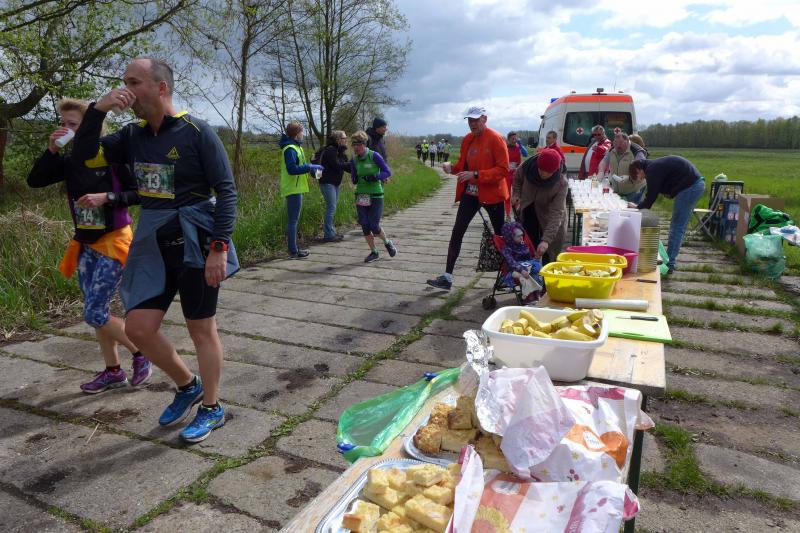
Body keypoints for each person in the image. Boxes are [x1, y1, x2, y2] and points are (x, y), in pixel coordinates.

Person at [72, 57, 239, 443]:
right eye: (124, 82)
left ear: (161, 87)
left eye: (134, 82)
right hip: (153, 243)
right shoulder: (132, 135)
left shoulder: (197, 132)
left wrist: (218, 247)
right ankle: (187, 385)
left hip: (197, 242)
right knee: (138, 328)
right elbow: (83, 156)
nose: (126, 90)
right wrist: (98, 110)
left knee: (201, 329)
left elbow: (226, 190)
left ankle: (212, 408)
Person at [28, 99, 148, 393]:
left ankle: (143, 352)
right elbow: (35, 180)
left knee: (94, 313)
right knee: (99, 314)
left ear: (91, 127)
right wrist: (51, 150)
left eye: (73, 124)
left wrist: (107, 197)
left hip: (115, 241)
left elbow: (141, 193)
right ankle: (113, 371)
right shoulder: (70, 161)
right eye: (63, 124)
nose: (66, 129)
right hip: (85, 243)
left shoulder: (112, 157)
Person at [427, 106, 509, 291]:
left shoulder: (496, 139)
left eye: (476, 120)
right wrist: (451, 168)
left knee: (500, 236)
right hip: (470, 194)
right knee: (457, 231)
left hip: (493, 194)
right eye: (470, 120)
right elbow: (462, 166)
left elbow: (503, 170)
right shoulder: (467, 139)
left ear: (484, 119)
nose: (472, 124)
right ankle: (447, 277)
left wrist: (477, 175)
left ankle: (507, 276)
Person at [628, 157, 705, 275]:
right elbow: (657, 188)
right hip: (694, 184)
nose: (640, 179)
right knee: (679, 224)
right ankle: (670, 260)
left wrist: (637, 207)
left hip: (691, 187)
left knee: (677, 226)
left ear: (639, 170)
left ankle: (670, 264)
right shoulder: (652, 167)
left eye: (638, 176)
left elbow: (649, 200)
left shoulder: (652, 170)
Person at [511, 148, 567, 265]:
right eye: (540, 170)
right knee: (528, 250)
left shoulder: (561, 183)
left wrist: (546, 240)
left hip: (549, 219)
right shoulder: (526, 167)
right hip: (529, 213)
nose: (543, 174)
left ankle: (546, 274)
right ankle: (528, 272)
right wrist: (516, 193)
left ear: (555, 170)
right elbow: (517, 178)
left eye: (548, 172)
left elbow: (557, 213)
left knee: (549, 254)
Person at [350, 130, 396, 263]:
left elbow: (387, 172)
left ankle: (387, 242)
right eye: (353, 145)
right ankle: (374, 252)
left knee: (374, 226)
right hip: (361, 195)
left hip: (376, 194)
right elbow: (354, 178)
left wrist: (375, 176)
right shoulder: (354, 160)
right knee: (364, 225)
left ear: (364, 144)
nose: (355, 148)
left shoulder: (374, 155)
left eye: (358, 144)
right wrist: (354, 178)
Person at [280, 121, 324, 258]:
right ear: (296, 133)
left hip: (296, 188)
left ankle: (293, 249)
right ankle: (293, 251)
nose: (303, 134)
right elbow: (292, 169)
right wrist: (309, 167)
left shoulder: (296, 147)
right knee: (293, 220)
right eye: (302, 132)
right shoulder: (290, 149)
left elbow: (302, 166)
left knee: (293, 220)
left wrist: (313, 169)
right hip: (293, 189)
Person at [318, 130, 351, 242]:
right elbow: (337, 165)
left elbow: (347, 167)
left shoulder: (339, 151)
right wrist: (349, 164)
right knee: (331, 207)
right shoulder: (331, 150)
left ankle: (331, 232)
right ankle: (328, 235)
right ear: (338, 139)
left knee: (333, 207)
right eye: (344, 138)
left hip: (334, 183)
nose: (346, 140)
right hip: (327, 182)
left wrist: (358, 171)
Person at [499, 221, 543, 304]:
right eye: (518, 236)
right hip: (514, 269)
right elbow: (511, 262)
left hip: (526, 265)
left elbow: (529, 257)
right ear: (510, 237)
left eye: (522, 235)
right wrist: (521, 270)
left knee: (537, 271)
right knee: (525, 277)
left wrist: (534, 258)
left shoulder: (522, 244)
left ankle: (536, 293)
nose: (521, 238)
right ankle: (528, 296)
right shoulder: (506, 249)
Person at [598, 132, 647, 204]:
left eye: (620, 146)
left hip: (634, 189)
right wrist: (601, 172)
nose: (618, 149)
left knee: (631, 208)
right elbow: (603, 162)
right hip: (618, 189)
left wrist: (629, 177)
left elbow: (642, 170)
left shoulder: (637, 151)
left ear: (627, 142)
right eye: (616, 145)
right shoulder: (612, 149)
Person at [505, 131, 529, 216]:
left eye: (516, 138)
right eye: (512, 139)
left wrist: (521, 145)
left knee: (517, 194)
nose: (514, 140)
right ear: (508, 139)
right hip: (507, 174)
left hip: (516, 173)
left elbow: (526, 154)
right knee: (507, 195)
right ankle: (508, 215)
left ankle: (517, 214)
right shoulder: (505, 147)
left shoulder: (519, 146)